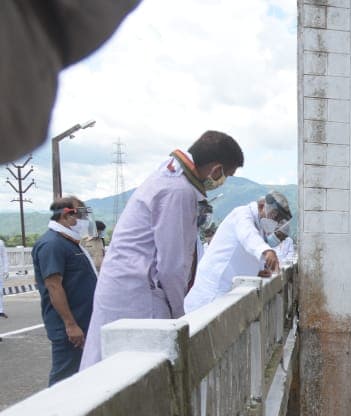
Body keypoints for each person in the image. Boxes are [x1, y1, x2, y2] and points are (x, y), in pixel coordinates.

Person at [80, 131, 244, 369]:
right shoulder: (179, 191)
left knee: (103, 363)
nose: (222, 181)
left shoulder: (168, 175)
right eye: (226, 175)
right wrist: (179, 315)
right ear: (216, 170)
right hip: (139, 292)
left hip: (125, 286)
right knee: (134, 370)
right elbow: (172, 267)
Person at [183, 191, 289, 312]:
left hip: (228, 292)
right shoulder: (242, 214)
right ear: (261, 206)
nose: (274, 222)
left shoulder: (258, 227)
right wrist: (267, 251)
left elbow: (246, 252)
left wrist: (257, 271)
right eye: (274, 216)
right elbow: (249, 236)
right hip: (212, 292)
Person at [32, 197, 98, 385]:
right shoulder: (52, 244)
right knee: (64, 379)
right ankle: (54, 412)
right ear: (66, 216)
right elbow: (54, 286)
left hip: (84, 323)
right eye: (80, 215)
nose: (84, 220)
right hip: (70, 328)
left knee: (80, 375)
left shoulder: (70, 243)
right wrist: (70, 324)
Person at [0, 240, 9, 318]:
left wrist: (6, 270)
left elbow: (4, 256)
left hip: (0, 271)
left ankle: (0, 310)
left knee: (0, 292)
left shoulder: (1, 243)